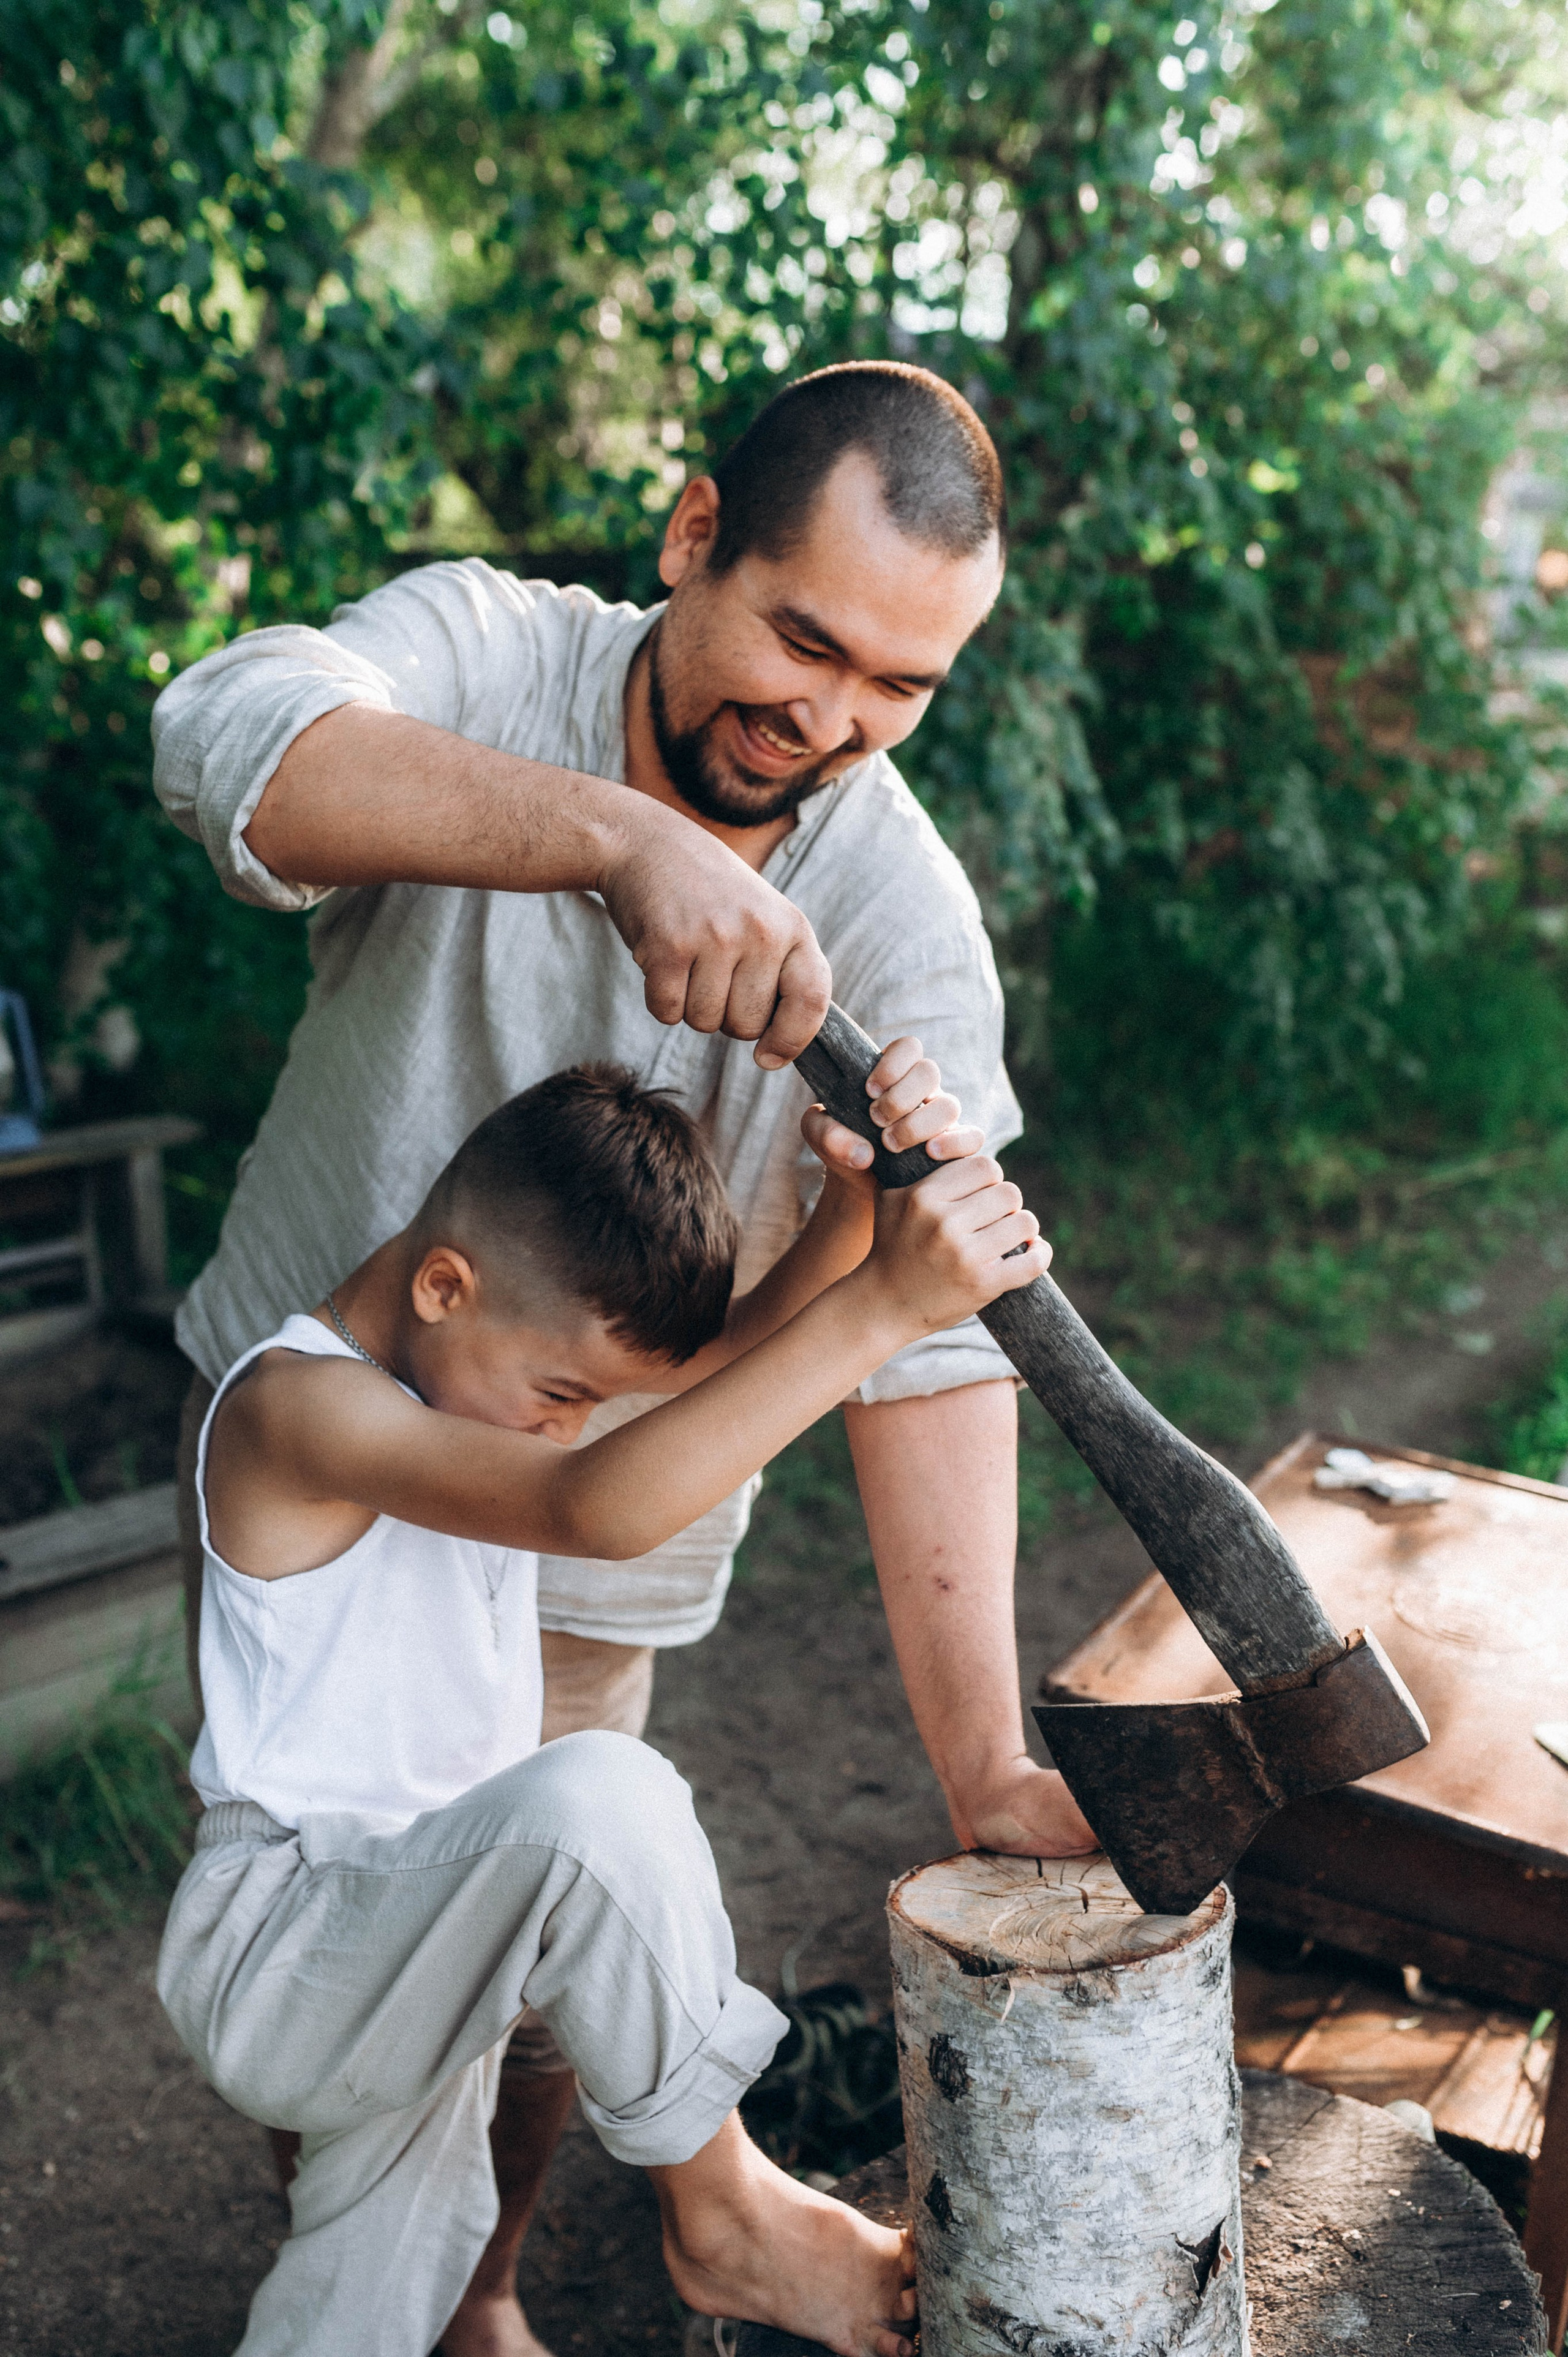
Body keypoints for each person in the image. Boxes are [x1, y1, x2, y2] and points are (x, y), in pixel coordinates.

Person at [151, 359, 1094, 2357]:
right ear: (691, 539)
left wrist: (988, 1757)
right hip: (324, 1436)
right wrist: (609, 840)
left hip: (619, 1492)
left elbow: (923, 1350)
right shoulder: (493, 652)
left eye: (900, 687)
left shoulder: (902, 911)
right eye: (801, 635)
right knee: (362, 1931)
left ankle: (477, 2289)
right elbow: (229, 746)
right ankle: (429, 2251)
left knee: (569, 1908)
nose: (830, 718)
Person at [160, 1055, 1051, 2357]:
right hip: (288, 1946)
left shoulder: (471, 1367)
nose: (573, 1430)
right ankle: (724, 2215)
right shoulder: (297, 1408)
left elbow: (713, 1372)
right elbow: (602, 1510)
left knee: (347, 2323)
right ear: (442, 1284)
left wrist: (855, 1224)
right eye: (563, 1397)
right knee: (602, 1797)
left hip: (421, 1942)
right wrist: (888, 1315)